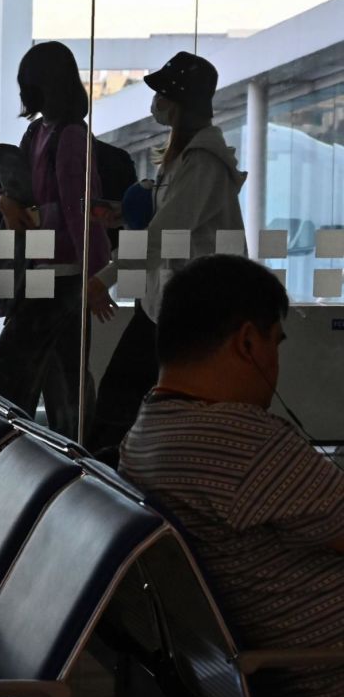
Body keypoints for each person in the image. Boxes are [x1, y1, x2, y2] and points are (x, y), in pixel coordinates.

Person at [118, 255, 344, 697]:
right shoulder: (243, 443)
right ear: (247, 342)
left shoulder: (148, 431)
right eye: (274, 343)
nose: (276, 363)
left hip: (260, 678)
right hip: (323, 684)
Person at [88, 52, 245, 454]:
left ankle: (119, 494)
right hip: (165, 303)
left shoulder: (202, 164)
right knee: (125, 403)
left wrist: (102, 279)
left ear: (179, 101)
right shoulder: (185, 160)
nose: (156, 103)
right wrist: (125, 215)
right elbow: (169, 224)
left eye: (162, 94)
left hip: (188, 309)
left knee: (124, 405)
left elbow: (163, 236)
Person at [0, 41, 113, 440]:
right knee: (64, 380)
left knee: (12, 375)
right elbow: (14, 187)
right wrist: (4, 200)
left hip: (58, 274)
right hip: (53, 272)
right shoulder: (45, 133)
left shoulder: (63, 136)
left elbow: (79, 210)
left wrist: (95, 275)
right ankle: (76, 464)